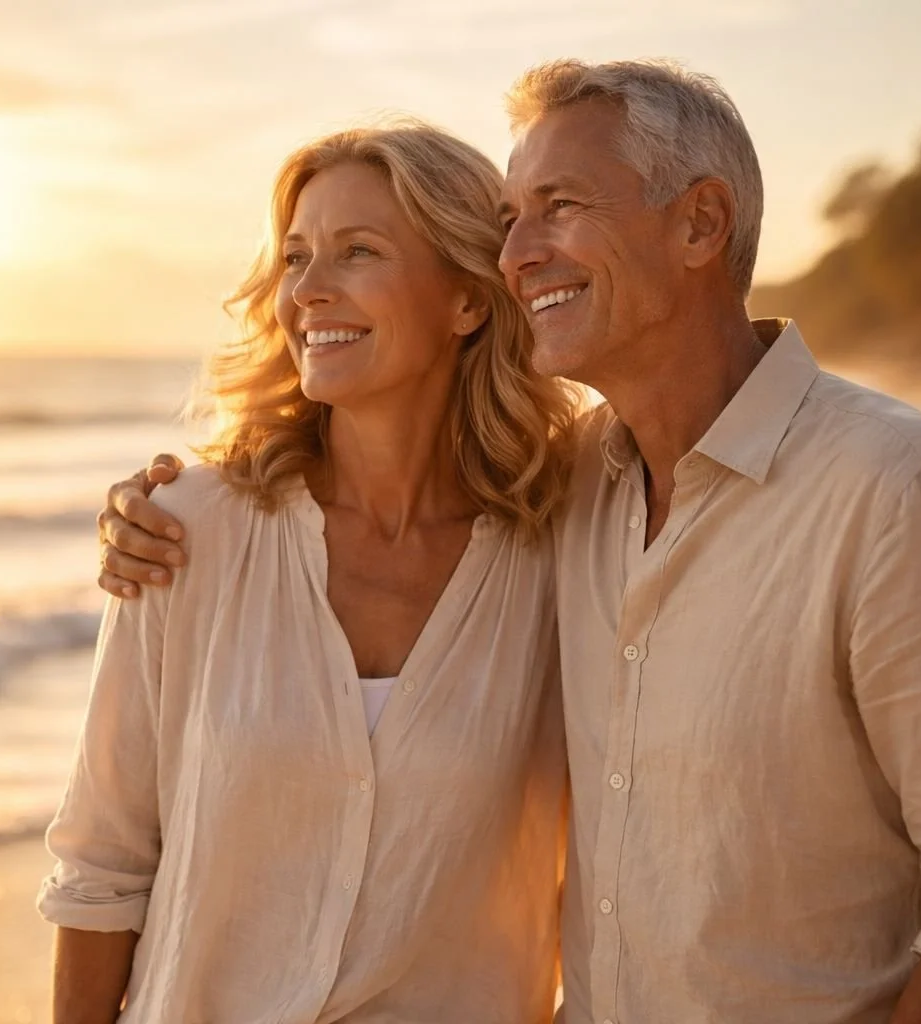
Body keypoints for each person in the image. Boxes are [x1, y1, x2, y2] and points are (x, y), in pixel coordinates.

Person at [97, 60, 921, 1024]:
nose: (517, 256)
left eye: (559, 206)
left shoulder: (894, 489)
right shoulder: (570, 492)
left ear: (700, 224)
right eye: (510, 220)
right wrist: (155, 508)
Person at [39, 120, 581, 1023]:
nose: (308, 292)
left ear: (470, 301)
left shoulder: (564, 548)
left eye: (357, 252)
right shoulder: (186, 530)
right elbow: (103, 863)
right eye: (295, 258)